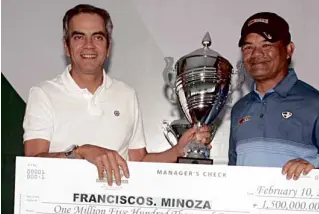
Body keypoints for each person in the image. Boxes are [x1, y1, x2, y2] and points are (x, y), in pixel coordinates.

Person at [22, 4, 211, 186]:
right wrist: (81, 152)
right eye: (79, 37)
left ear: (108, 47)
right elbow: (33, 163)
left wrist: (178, 150)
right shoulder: (43, 94)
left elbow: (139, 162)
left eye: (98, 37)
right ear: (66, 46)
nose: (89, 45)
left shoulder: (126, 95)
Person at [228, 12, 319, 180]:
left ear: (289, 50)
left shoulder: (317, 104)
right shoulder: (239, 109)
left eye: (267, 45)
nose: (256, 54)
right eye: (248, 47)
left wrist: (314, 174)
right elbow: (232, 174)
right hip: (246, 205)